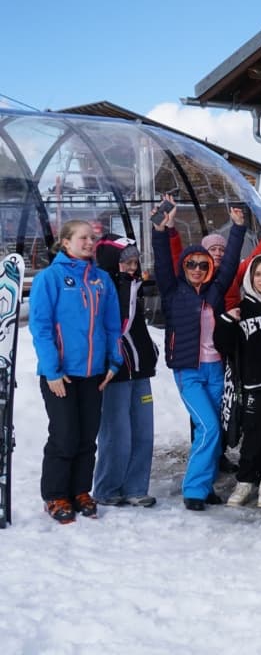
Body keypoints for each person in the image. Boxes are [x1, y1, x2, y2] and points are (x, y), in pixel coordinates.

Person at [152, 202, 247, 511]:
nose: (196, 269)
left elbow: (231, 263)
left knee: (215, 428)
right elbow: (163, 261)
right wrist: (161, 229)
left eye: (202, 265)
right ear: (184, 266)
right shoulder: (172, 290)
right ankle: (194, 490)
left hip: (215, 369)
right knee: (207, 427)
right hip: (188, 371)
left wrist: (238, 228)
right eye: (191, 264)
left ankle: (204, 487)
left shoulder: (214, 292)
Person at [29, 221, 122, 523]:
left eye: (92, 238)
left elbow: (112, 326)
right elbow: (40, 328)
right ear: (65, 243)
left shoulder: (102, 280)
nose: (89, 242)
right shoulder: (50, 278)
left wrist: (114, 362)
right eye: (82, 238)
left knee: (86, 437)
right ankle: (56, 494)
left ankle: (81, 490)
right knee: (65, 435)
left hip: (93, 374)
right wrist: (52, 371)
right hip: (61, 375)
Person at [215, 254, 261, 508]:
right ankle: (246, 480)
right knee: (254, 434)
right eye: (257, 274)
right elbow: (222, 345)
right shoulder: (242, 309)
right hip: (253, 383)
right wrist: (227, 321)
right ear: (250, 277)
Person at [91, 235, 157, 509]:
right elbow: (117, 325)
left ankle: (135, 487)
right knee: (116, 433)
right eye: (126, 262)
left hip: (140, 370)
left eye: (135, 261)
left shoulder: (132, 286)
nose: (132, 267)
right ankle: (107, 487)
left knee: (143, 431)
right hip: (114, 373)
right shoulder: (104, 289)